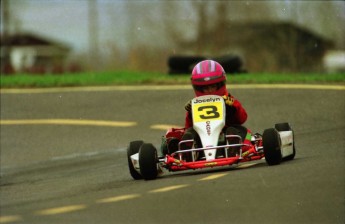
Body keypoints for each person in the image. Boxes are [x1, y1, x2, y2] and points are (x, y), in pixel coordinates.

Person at [181, 59, 251, 158]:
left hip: (225, 132)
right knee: (189, 133)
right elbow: (188, 126)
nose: (209, 90)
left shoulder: (228, 100)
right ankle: (188, 151)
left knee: (241, 131)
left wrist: (233, 106)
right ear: (199, 88)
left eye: (213, 86)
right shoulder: (195, 104)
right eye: (205, 88)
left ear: (220, 84)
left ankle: (232, 147)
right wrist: (191, 113)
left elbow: (242, 118)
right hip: (202, 138)